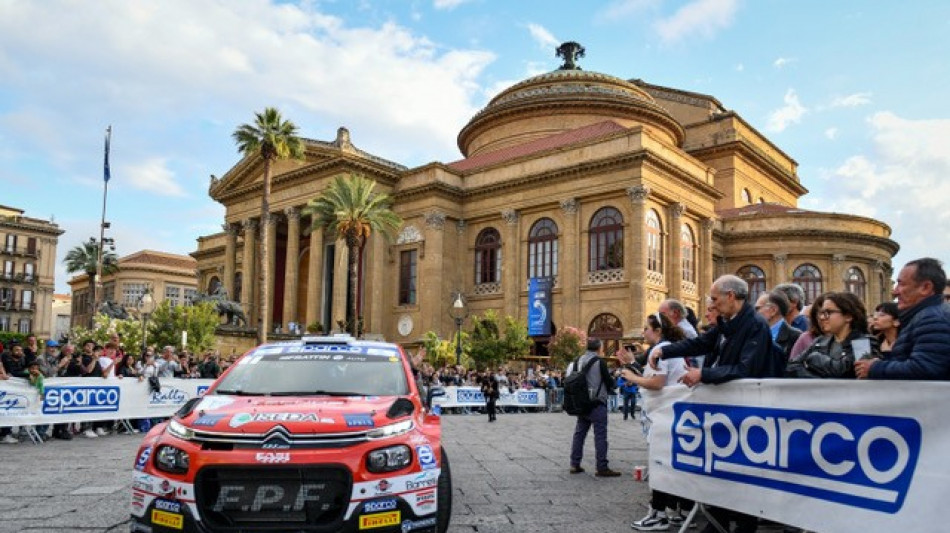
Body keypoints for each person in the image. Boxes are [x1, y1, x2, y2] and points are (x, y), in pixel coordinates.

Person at [648, 275, 780, 533]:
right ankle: (719, 518)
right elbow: (701, 342)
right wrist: (664, 351)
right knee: (724, 466)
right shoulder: (727, 322)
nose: (712, 304)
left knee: (744, 469)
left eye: (715, 298)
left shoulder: (755, 324)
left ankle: (744, 525)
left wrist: (703, 374)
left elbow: (745, 368)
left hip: (749, 409)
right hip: (728, 407)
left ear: (731, 296)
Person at [622, 313, 691, 531]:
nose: (643, 332)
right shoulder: (670, 348)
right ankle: (677, 511)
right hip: (675, 413)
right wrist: (633, 365)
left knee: (660, 463)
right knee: (672, 464)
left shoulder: (661, 350)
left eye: (646, 328)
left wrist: (632, 377)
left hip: (665, 414)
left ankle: (658, 513)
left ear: (658, 330)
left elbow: (657, 382)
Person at [856, 257, 950, 380]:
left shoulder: (932, 319)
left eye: (901, 284)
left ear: (925, 288)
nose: (894, 292)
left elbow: (925, 369)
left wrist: (875, 368)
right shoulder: (923, 316)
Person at [787, 292, 879, 378]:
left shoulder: (863, 342)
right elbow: (792, 367)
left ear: (848, 316)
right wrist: (817, 381)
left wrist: (815, 358)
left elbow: (844, 372)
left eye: (828, 313)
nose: (822, 317)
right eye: (822, 313)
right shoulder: (820, 341)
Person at [567, 338, 621, 477]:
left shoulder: (577, 361)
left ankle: (574, 464)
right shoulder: (599, 362)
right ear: (599, 348)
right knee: (600, 435)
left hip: (582, 403)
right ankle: (601, 467)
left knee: (579, 434)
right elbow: (609, 382)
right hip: (597, 403)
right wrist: (614, 380)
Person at [755, 290, 802, 364]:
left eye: (757, 308)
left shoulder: (796, 337)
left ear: (773, 310)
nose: (754, 312)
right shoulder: (753, 334)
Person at [788, 294, 827, 362]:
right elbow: (793, 365)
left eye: (828, 313)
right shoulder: (806, 338)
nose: (822, 317)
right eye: (820, 313)